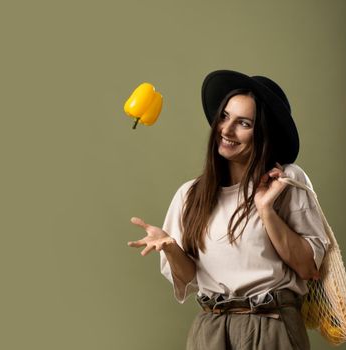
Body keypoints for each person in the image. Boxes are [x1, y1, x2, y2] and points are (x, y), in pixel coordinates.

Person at [127, 70, 330, 350]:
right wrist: (171, 247)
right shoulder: (190, 194)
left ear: (263, 133)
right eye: (224, 116)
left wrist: (265, 209)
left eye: (243, 123)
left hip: (271, 325)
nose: (226, 129)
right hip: (211, 330)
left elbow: (309, 268)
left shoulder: (286, 181)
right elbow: (189, 277)